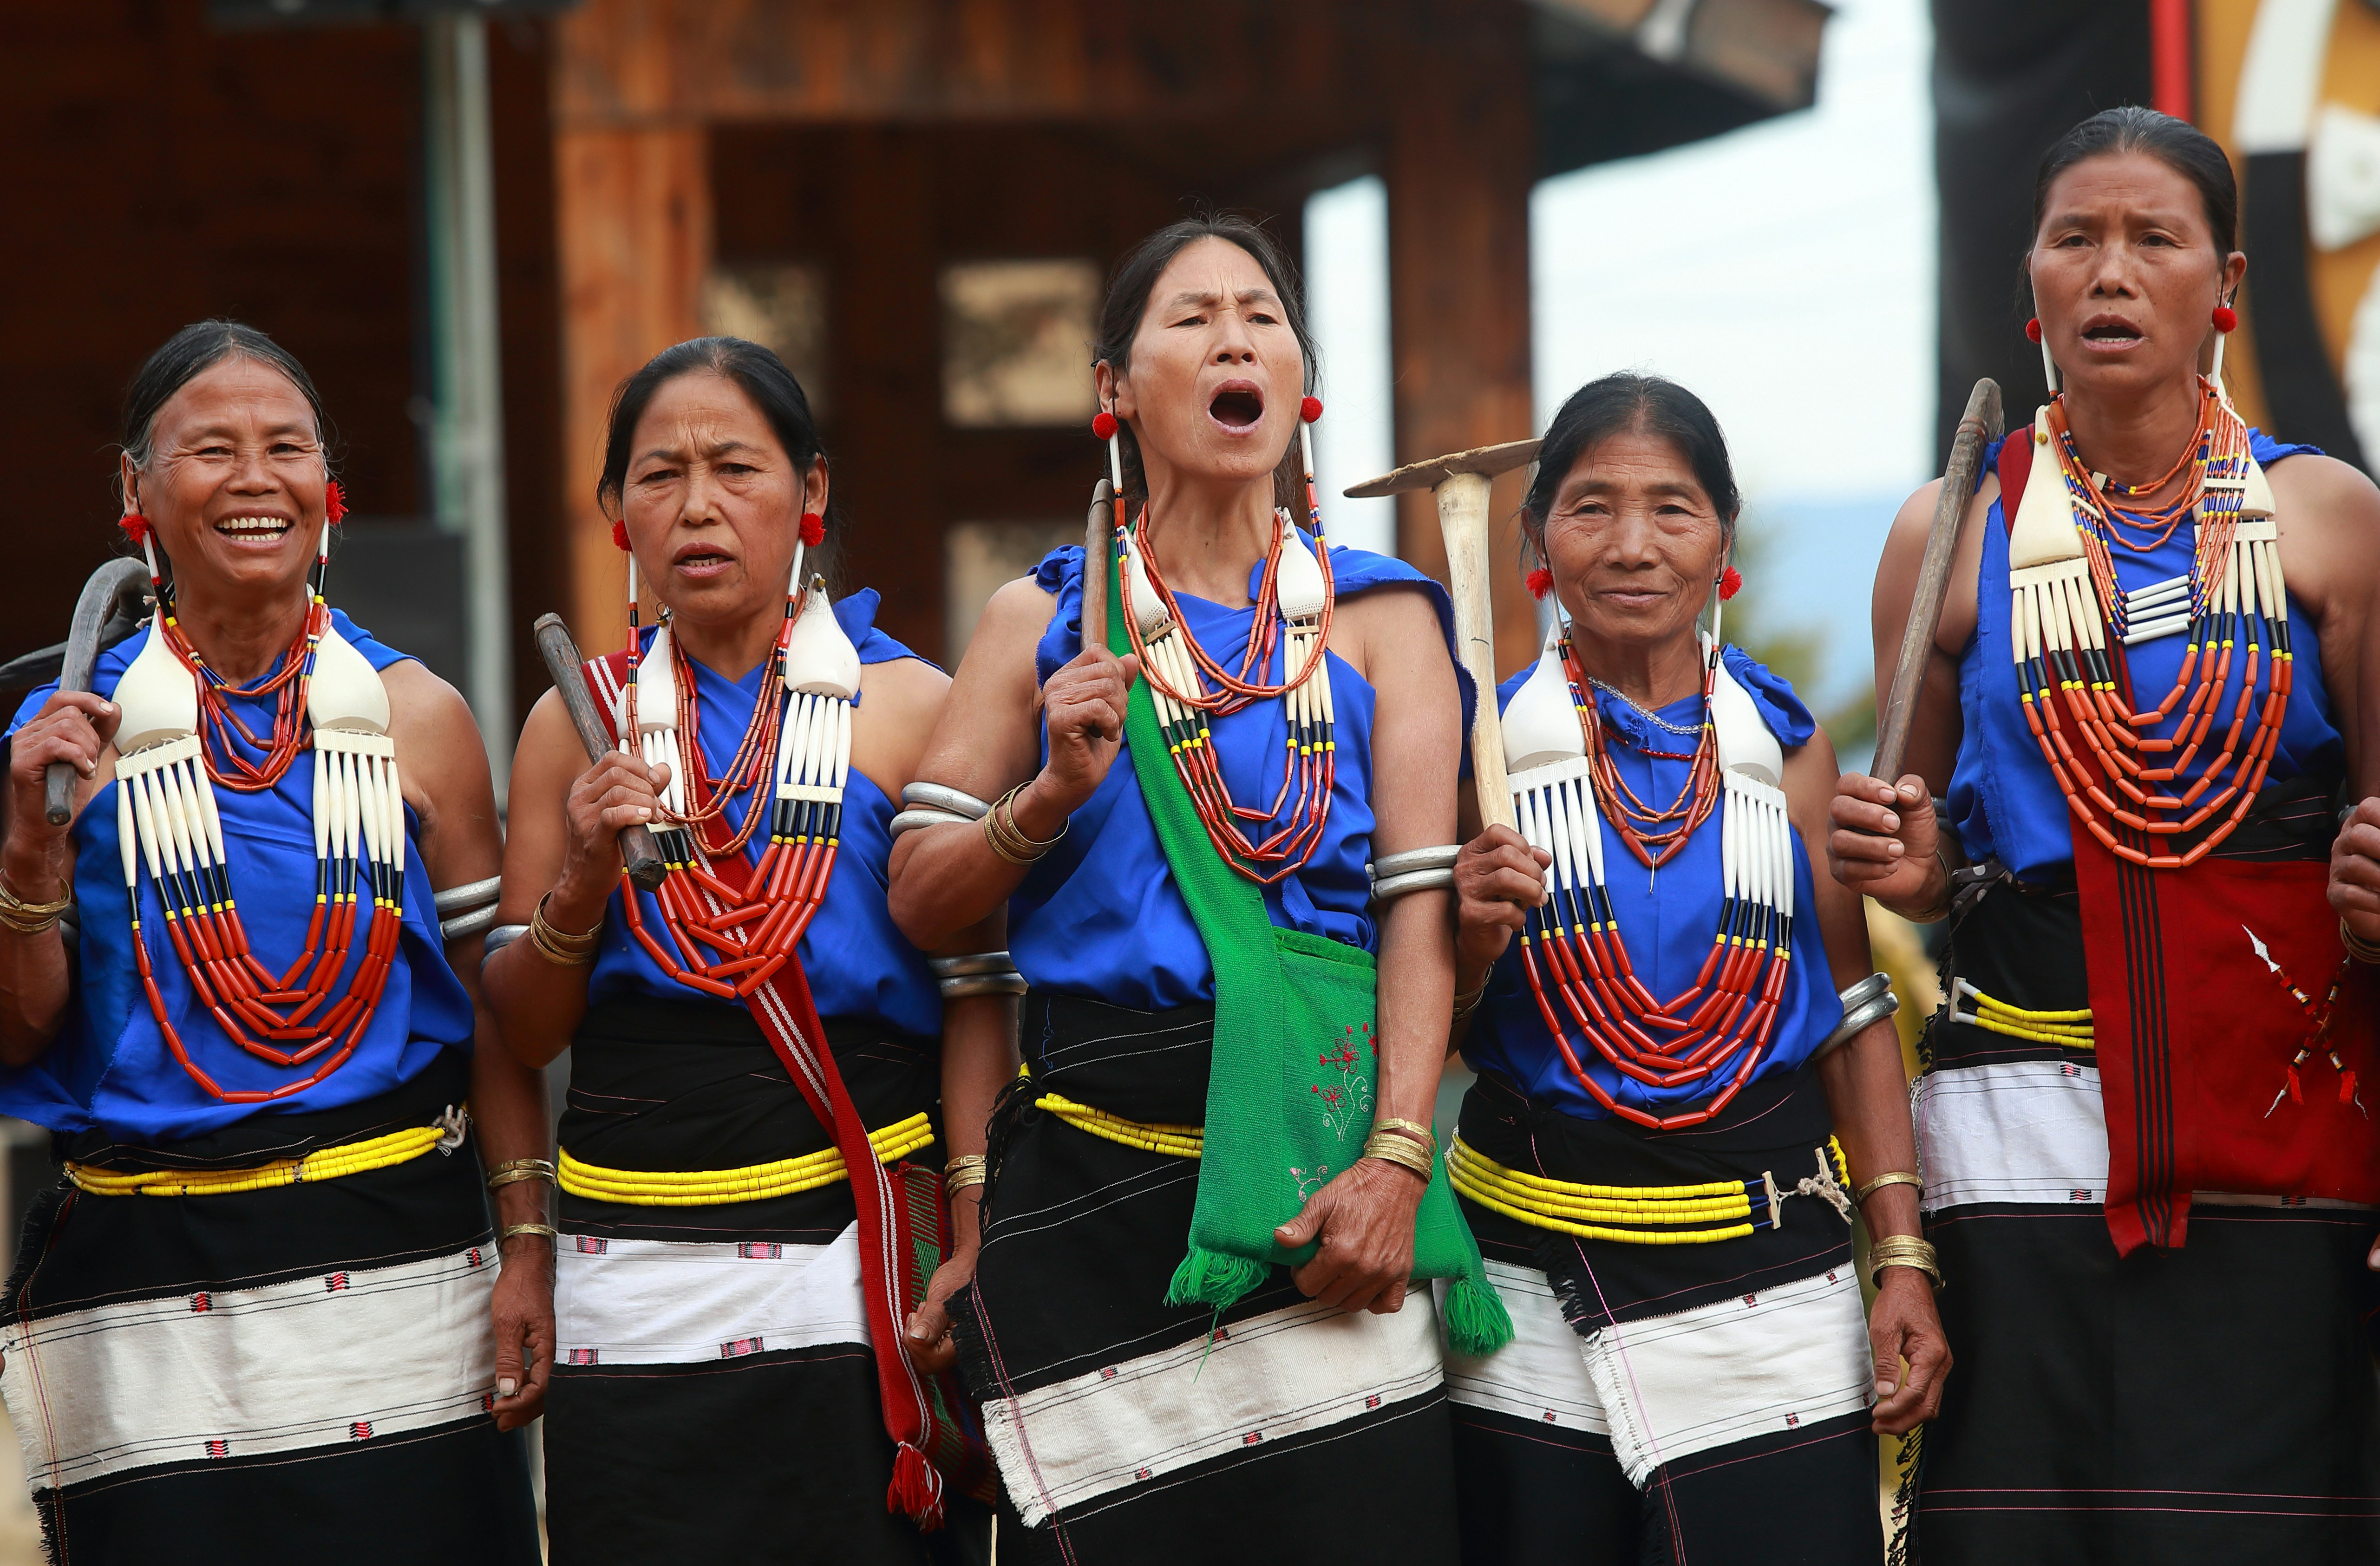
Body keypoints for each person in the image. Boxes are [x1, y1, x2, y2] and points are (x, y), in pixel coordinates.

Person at [888, 215, 1508, 1564]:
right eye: (1191, 316)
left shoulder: (1384, 620)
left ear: (1300, 379)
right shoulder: (1038, 623)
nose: (1235, 335)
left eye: (1261, 314)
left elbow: (1414, 911)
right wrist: (1045, 795)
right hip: (1091, 1196)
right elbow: (923, 901)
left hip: (1316, 1182)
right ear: (1113, 388)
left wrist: (1398, 1165)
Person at [1832, 106, 2380, 1563]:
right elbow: (1927, 856)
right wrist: (1906, 864)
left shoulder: (2326, 520)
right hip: (2016, 1131)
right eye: (2077, 238)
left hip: (2270, 1126)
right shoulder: (1944, 531)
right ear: (2031, 280)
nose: (2111, 272)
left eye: (2154, 238)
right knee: (2024, 1524)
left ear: (2228, 279)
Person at [0, 321, 545, 1561]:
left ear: (327, 488)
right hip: (148, 1290)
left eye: (285, 446)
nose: (255, 477)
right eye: (210, 449)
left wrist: (526, 1248)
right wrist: (30, 849)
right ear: (136, 490)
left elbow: (497, 1021)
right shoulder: (63, 736)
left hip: (397, 1267)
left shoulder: (420, 717)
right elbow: (18, 1028)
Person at [485, 337, 1001, 1565]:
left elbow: (979, 994)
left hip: (857, 1245)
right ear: (616, 513)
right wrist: (581, 875)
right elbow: (520, 1024)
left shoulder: (911, 707)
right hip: (634, 1267)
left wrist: (974, 1223)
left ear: (810, 491)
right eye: (658, 475)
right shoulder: (573, 722)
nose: (698, 504)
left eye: (735, 466)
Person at [1440, 373, 1948, 1565]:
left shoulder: (1790, 756)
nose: (1631, 545)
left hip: (1770, 1288)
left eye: (1672, 509)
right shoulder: (1482, 757)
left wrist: (1904, 1259)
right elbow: (1428, 1030)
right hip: (1525, 1286)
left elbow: (1852, 1013)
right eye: (1591, 508)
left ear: (1724, 538)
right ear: (1535, 540)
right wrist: (1466, 935)